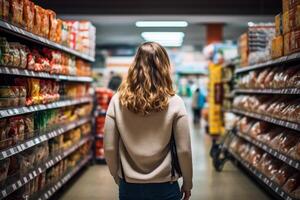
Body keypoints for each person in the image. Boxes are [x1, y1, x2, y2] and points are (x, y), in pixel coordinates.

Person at [104, 42, 193, 200]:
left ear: (135, 64)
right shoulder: (175, 102)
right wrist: (188, 181)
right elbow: (184, 150)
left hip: (129, 185)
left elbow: (110, 148)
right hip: (166, 185)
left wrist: (116, 175)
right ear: (165, 66)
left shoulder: (117, 101)